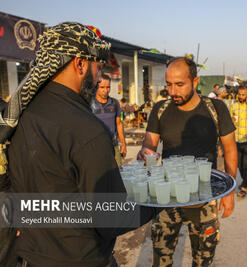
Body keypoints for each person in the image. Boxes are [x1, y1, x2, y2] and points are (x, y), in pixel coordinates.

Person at [5, 22, 157, 267]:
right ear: (80, 64)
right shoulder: (87, 130)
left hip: (32, 256)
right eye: (98, 68)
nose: (98, 78)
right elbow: (112, 218)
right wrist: (158, 199)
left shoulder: (24, 115)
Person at [137, 56, 237, 267]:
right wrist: (145, 153)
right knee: (161, 259)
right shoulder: (160, 109)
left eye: (179, 85)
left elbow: (230, 150)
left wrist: (229, 192)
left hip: (204, 198)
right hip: (167, 199)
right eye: (169, 85)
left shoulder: (216, 109)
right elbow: (149, 145)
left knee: (203, 260)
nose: (172, 91)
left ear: (195, 81)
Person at [91, 74, 127, 167]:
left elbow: (119, 124)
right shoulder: (90, 104)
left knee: (118, 173)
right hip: (95, 148)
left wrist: (123, 144)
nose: (106, 90)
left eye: (108, 87)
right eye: (102, 87)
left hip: (113, 146)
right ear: (96, 87)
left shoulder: (115, 103)